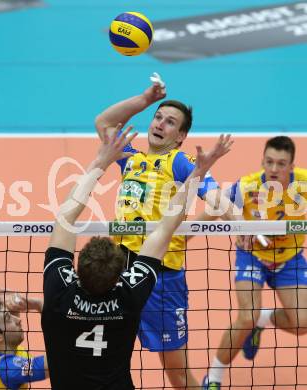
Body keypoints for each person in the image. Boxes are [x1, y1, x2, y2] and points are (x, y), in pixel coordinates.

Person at [41, 124, 232, 389]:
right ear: (117, 274)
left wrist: (100, 161)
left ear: (77, 270)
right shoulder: (128, 297)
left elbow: (65, 218)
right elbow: (164, 229)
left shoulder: (59, 293)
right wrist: (197, 173)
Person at [95, 76, 235, 388]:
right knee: (105, 359)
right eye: (158, 117)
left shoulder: (180, 162)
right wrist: (145, 99)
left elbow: (213, 196)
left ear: (182, 135)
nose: (160, 124)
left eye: (170, 122)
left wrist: (240, 223)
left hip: (162, 277)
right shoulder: (131, 160)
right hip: (119, 270)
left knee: (176, 372)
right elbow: (104, 121)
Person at [202, 136, 307, 389]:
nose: (273, 169)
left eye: (281, 164)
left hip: (289, 258)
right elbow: (217, 206)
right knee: (245, 316)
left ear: (292, 166)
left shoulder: (303, 184)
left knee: (303, 323)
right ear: (262, 161)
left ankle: (264, 319)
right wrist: (185, 234)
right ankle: (214, 377)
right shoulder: (247, 186)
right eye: (269, 162)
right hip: (252, 256)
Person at [0, 283, 48, 389]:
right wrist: (39, 304)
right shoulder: (8, 369)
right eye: (8, 318)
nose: (19, 320)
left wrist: (13, 306)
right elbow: (55, 362)